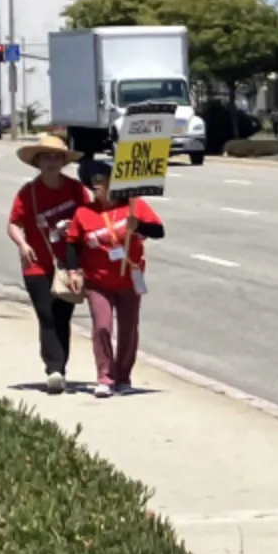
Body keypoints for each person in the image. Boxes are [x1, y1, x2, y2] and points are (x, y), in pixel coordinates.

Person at [68, 157, 164, 398]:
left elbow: (158, 231)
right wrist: (73, 271)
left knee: (129, 329)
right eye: (92, 182)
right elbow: (73, 244)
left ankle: (123, 376)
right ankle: (105, 377)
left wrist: (138, 225)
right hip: (97, 280)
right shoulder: (84, 212)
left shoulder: (134, 205)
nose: (96, 186)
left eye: (101, 180)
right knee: (102, 327)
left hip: (129, 279)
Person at [7, 134, 89, 392]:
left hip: (68, 264)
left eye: (56, 157)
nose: (52, 162)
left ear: (63, 161)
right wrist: (22, 243)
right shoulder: (28, 192)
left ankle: (60, 367)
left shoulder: (75, 190)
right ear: (38, 162)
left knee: (63, 316)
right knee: (47, 315)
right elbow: (13, 223)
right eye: (46, 157)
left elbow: (91, 216)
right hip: (37, 264)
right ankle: (54, 369)